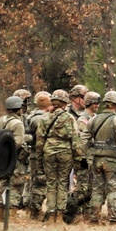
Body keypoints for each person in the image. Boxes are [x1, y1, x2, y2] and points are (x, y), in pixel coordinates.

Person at [36, 89, 84, 222]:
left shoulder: (45, 118)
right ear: (65, 103)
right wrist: (78, 159)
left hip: (49, 152)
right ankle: (60, 214)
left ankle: (51, 214)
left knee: (51, 183)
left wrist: (39, 158)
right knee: (63, 183)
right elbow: (75, 140)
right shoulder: (70, 118)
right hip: (65, 153)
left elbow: (39, 140)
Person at [85, 91, 116, 223]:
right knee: (113, 189)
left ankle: (94, 217)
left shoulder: (93, 119)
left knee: (97, 189)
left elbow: (84, 139)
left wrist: (85, 156)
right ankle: (114, 218)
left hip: (97, 160)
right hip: (113, 161)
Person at [67, 91, 102, 220]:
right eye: (94, 103)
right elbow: (83, 139)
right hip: (84, 158)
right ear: (88, 103)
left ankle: (87, 213)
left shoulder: (96, 118)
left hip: (94, 158)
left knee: (92, 188)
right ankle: (71, 209)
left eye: (98, 103)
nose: (97, 105)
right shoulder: (83, 119)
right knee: (82, 187)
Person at [0, 96, 27, 218]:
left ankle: (0, 213)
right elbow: (18, 142)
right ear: (18, 109)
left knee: (3, 183)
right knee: (16, 185)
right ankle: (11, 214)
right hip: (14, 159)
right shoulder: (18, 123)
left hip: (1, 159)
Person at [23, 91, 52, 217]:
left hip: (35, 154)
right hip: (39, 155)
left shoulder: (32, 116)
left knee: (35, 182)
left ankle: (32, 208)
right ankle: (35, 211)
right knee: (40, 183)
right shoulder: (40, 118)